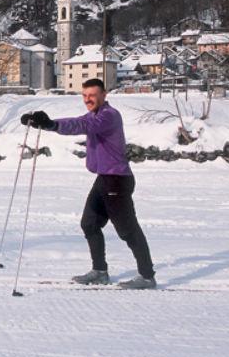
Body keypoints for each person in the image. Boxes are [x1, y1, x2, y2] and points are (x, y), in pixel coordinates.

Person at [20, 78, 156, 289]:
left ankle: (147, 276)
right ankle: (100, 271)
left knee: (128, 231)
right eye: (84, 96)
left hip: (117, 181)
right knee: (89, 224)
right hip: (104, 178)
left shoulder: (109, 116)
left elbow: (82, 125)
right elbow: (77, 120)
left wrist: (51, 124)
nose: (88, 100)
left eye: (92, 95)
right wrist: (45, 124)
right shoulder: (94, 115)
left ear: (104, 95)